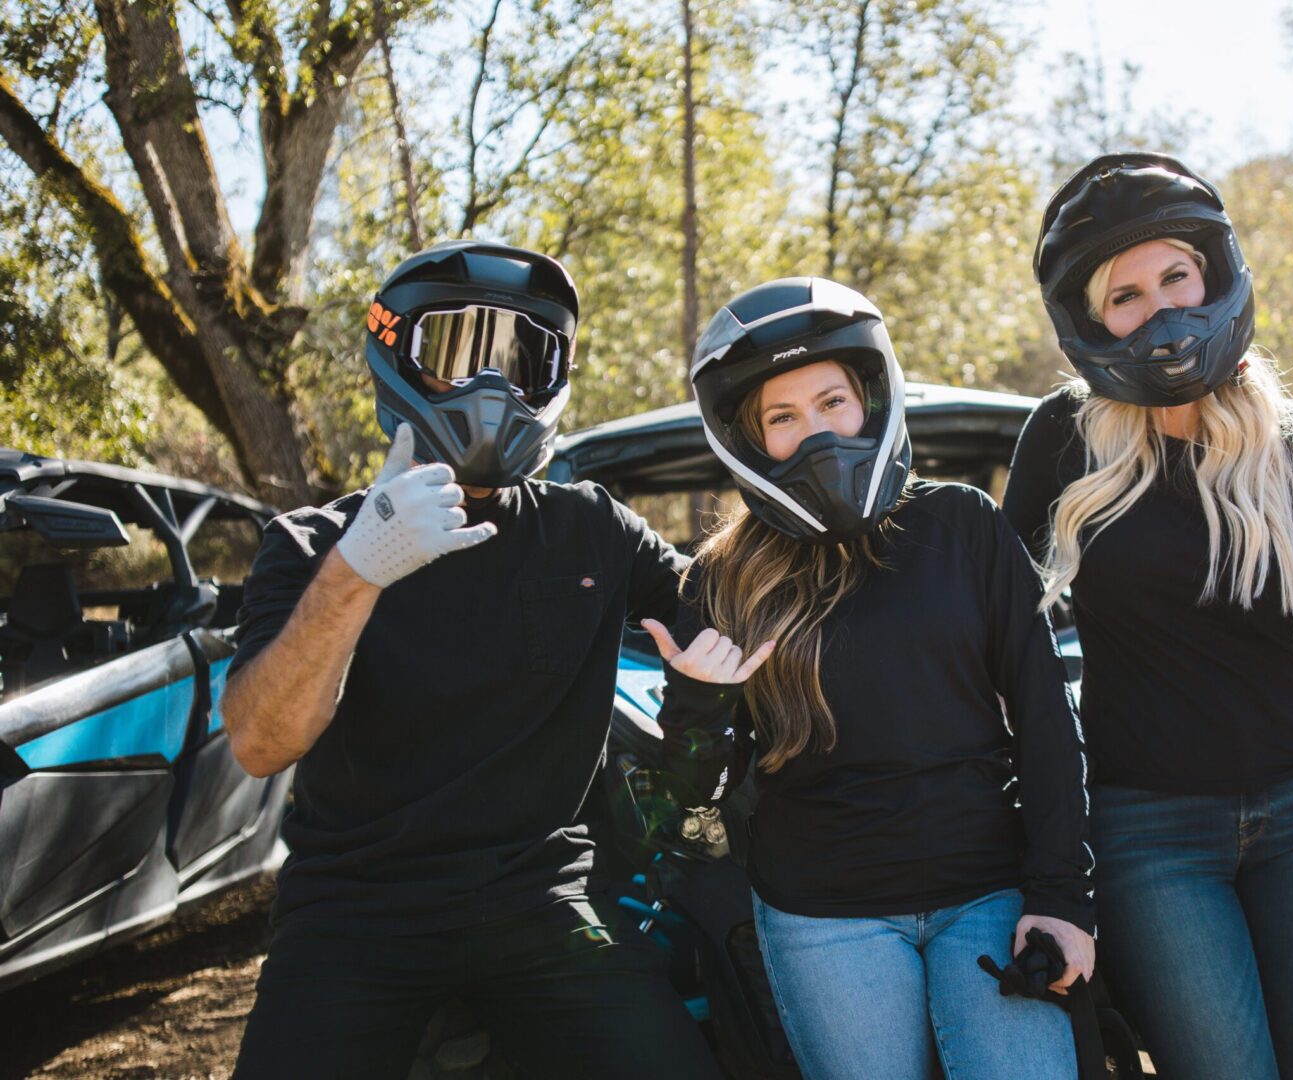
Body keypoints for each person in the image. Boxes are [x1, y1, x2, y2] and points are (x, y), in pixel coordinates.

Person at [221, 240, 721, 1080]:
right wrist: (358, 569)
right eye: (459, 354)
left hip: (545, 900)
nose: (492, 390)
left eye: (521, 360)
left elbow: (731, 610)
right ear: (394, 352)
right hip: (354, 909)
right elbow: (261, 743)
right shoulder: (310, 545)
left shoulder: (592, 528)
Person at [1003, 153, 1293, 1080]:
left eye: (1175, 276)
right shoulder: (1064, 437)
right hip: (1144, 824)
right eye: (1125, 296)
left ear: (1213, 273)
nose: (1160, 309)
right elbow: (1006, 629)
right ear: (1091, 320)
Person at [647, 277, 1097, 1080]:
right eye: (783, 418)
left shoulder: (962, 523)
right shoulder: (722, 579)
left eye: (832, 403)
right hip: (822, 914)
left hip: (987, 892)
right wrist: (698, 704)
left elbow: (1045, 719)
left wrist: (1063, 897)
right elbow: (696, 794)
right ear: (750, 440)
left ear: (871, 399)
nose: (816, 433)